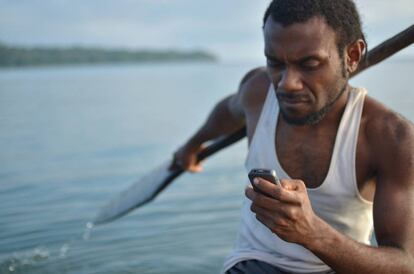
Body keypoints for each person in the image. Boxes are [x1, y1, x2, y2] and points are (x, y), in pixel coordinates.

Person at [171, 0, 414, 273]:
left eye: (309, 64)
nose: (287, 83)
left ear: (353, 56)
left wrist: (313, 233)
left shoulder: (390, 137)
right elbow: (228, 111)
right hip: (252, 263)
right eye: (275, 63)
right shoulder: (259, 91)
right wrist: (192, 145)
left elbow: (405, 264)